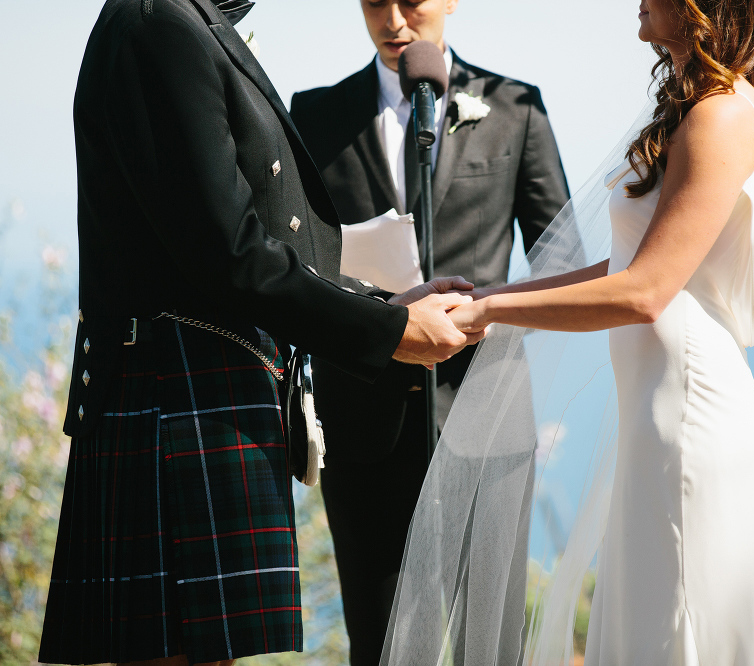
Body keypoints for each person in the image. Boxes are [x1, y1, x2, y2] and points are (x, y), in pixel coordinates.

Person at [37, 0, 484, 664]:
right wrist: (386, 328)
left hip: (196, 395)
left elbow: (262, 240)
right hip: (179, 399)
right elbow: (230, 252)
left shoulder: (180, 21)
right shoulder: (158, 25)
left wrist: (384, 304)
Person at [383, 0, 754, 662]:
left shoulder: (722, 116)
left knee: (679, 631)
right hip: (660, 416)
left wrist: (488, 316)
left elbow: (644, 292)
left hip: (692, 420)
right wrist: (485, 296)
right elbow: (626, 266)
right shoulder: (702, 109)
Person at [288, 1, 569, 662]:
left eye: (411, 0)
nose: (393, 20)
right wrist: (382, 311)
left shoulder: (516, 108)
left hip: (488, 420)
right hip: (365, 425)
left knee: (491, 647)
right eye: (374, 2)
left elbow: (562, 260)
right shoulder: (314, 115)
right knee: (383, 649)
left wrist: (482, 308)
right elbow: (294, 266)